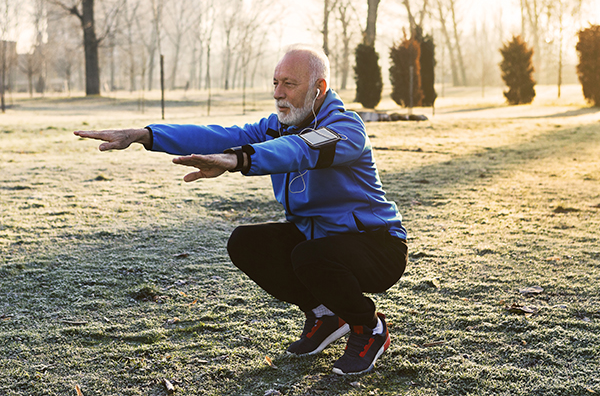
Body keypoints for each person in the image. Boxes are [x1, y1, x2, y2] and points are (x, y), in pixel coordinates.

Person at [74, 44, 408, 375]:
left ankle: (369, 329)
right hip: (319, 239)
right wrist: (144, 135)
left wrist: (240, 159)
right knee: (246, 243)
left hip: (377, 246)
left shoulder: (344, 129)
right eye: (275, 82)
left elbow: (299, 149)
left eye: (289, 84)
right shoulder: (279, 125)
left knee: (311, 256)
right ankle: (326, 315)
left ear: (319, 88)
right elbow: (219, 136)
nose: (278, 93)